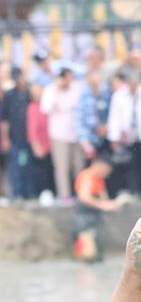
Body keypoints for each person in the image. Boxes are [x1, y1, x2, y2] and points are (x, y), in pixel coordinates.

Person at [107, 68, 141, 198]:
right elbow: (114, 118)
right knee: (131, 165)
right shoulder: (119, 95)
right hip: (128, 137)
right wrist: (114, 138)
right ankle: (134, 191)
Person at [40, 66, 83, 201]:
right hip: (59, 134)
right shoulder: (51, 90)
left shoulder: (77, 89)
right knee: (62, 167)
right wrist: (58, 89)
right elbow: (45, 108)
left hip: (77, 133)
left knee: (79, 166)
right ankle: (64, 196)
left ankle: (82, 195)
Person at [73, 149, 120, 262]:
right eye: (106, 170)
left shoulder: (99, 179)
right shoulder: (88, 176)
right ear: (98, 164)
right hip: (84, 219)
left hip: (94, 220)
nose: (106, 174)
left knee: (97, 254)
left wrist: (112, 205)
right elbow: (83, 197)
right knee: (88, 254)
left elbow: (104, 199)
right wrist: (102, 205)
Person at [1, 67, 33, 199]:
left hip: (29, 138)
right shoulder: (9, 95)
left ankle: (28, 193)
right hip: (15, 138)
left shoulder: (29, 93)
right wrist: (5, 138)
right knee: (15, 168)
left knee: (28, 166)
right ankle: (17, 194)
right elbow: (5, 120)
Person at [76, 69, 111, 163]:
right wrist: (84, 141)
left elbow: (113, 114)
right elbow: (80, 120)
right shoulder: (83, 95)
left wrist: (107, 127)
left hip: (107, 138)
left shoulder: (107, 93)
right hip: (90, 139)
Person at [26, 81, 54, 199]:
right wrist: (36, 146)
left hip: (52, 143)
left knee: (51, 171)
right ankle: (42, 193)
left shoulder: (47, 105)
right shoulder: (33, 107)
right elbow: (32, 129)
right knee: (41, 172)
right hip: (41, 146)